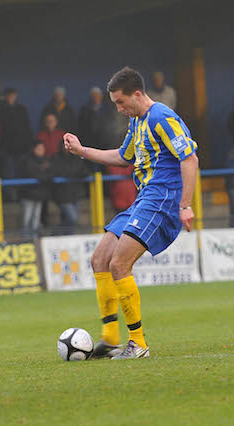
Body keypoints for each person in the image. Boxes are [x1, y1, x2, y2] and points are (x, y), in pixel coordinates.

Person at [62, 67, 199, 360]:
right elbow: (123, 157)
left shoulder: (162, 117)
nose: (119, 109)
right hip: (143, 199)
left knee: (119, 263)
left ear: (137, 94)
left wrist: (185, 205)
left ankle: (138, 344)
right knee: (100, 259)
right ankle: (111, 339)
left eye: (121, 102)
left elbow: (189, 158)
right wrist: (82, 151)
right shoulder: (137, 121)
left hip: (162, 199)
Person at [0, 88, 33, 179]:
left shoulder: (21, 109)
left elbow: (27, 127)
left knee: (21, 170)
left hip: (20, 146)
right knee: (7, 172)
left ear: (16, 96)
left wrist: (28, 143)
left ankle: (20, 187)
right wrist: (0, 145)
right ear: (5, 97)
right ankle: (9, 188)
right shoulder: (0, 110)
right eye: (9, 96)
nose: (10, 98)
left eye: (12, 96)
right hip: (6, 147)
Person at [20, 143, 51, 235]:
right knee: (26, 219)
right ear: (34, 149)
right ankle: (25, 239)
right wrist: (43, 176)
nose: (41, 151)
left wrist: (43, 176)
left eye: (42, 149)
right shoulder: (27, 160)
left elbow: (51, 174)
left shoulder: (46, 160)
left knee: (36, 219)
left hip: (40, 194)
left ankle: (34, 238)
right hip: (28, 194)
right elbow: (31, 173)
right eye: (39, 149)